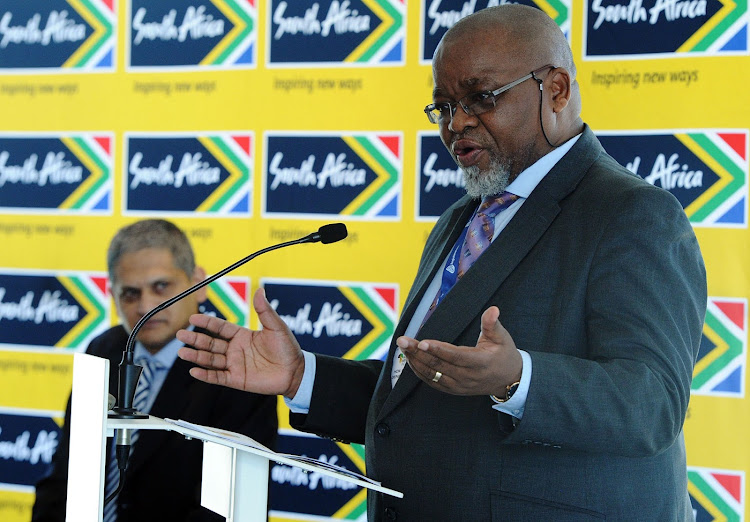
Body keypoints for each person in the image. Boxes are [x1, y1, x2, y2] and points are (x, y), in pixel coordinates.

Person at [177, 5, 707, 521]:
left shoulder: (632, 213)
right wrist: (301, 375)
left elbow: (652, 403)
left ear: (557, 89)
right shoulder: (461, 218)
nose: (457, 125)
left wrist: (517, 379)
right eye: (444, 107)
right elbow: (420, 392)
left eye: (480, 98)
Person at [32, 219, 278, 522]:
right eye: (130, 293)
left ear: (198, 283)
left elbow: (230, 509)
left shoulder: (236, 365)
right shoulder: (102, 350)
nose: (145, 305)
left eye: (161, 287)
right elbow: (65, 472)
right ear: (113, 295)